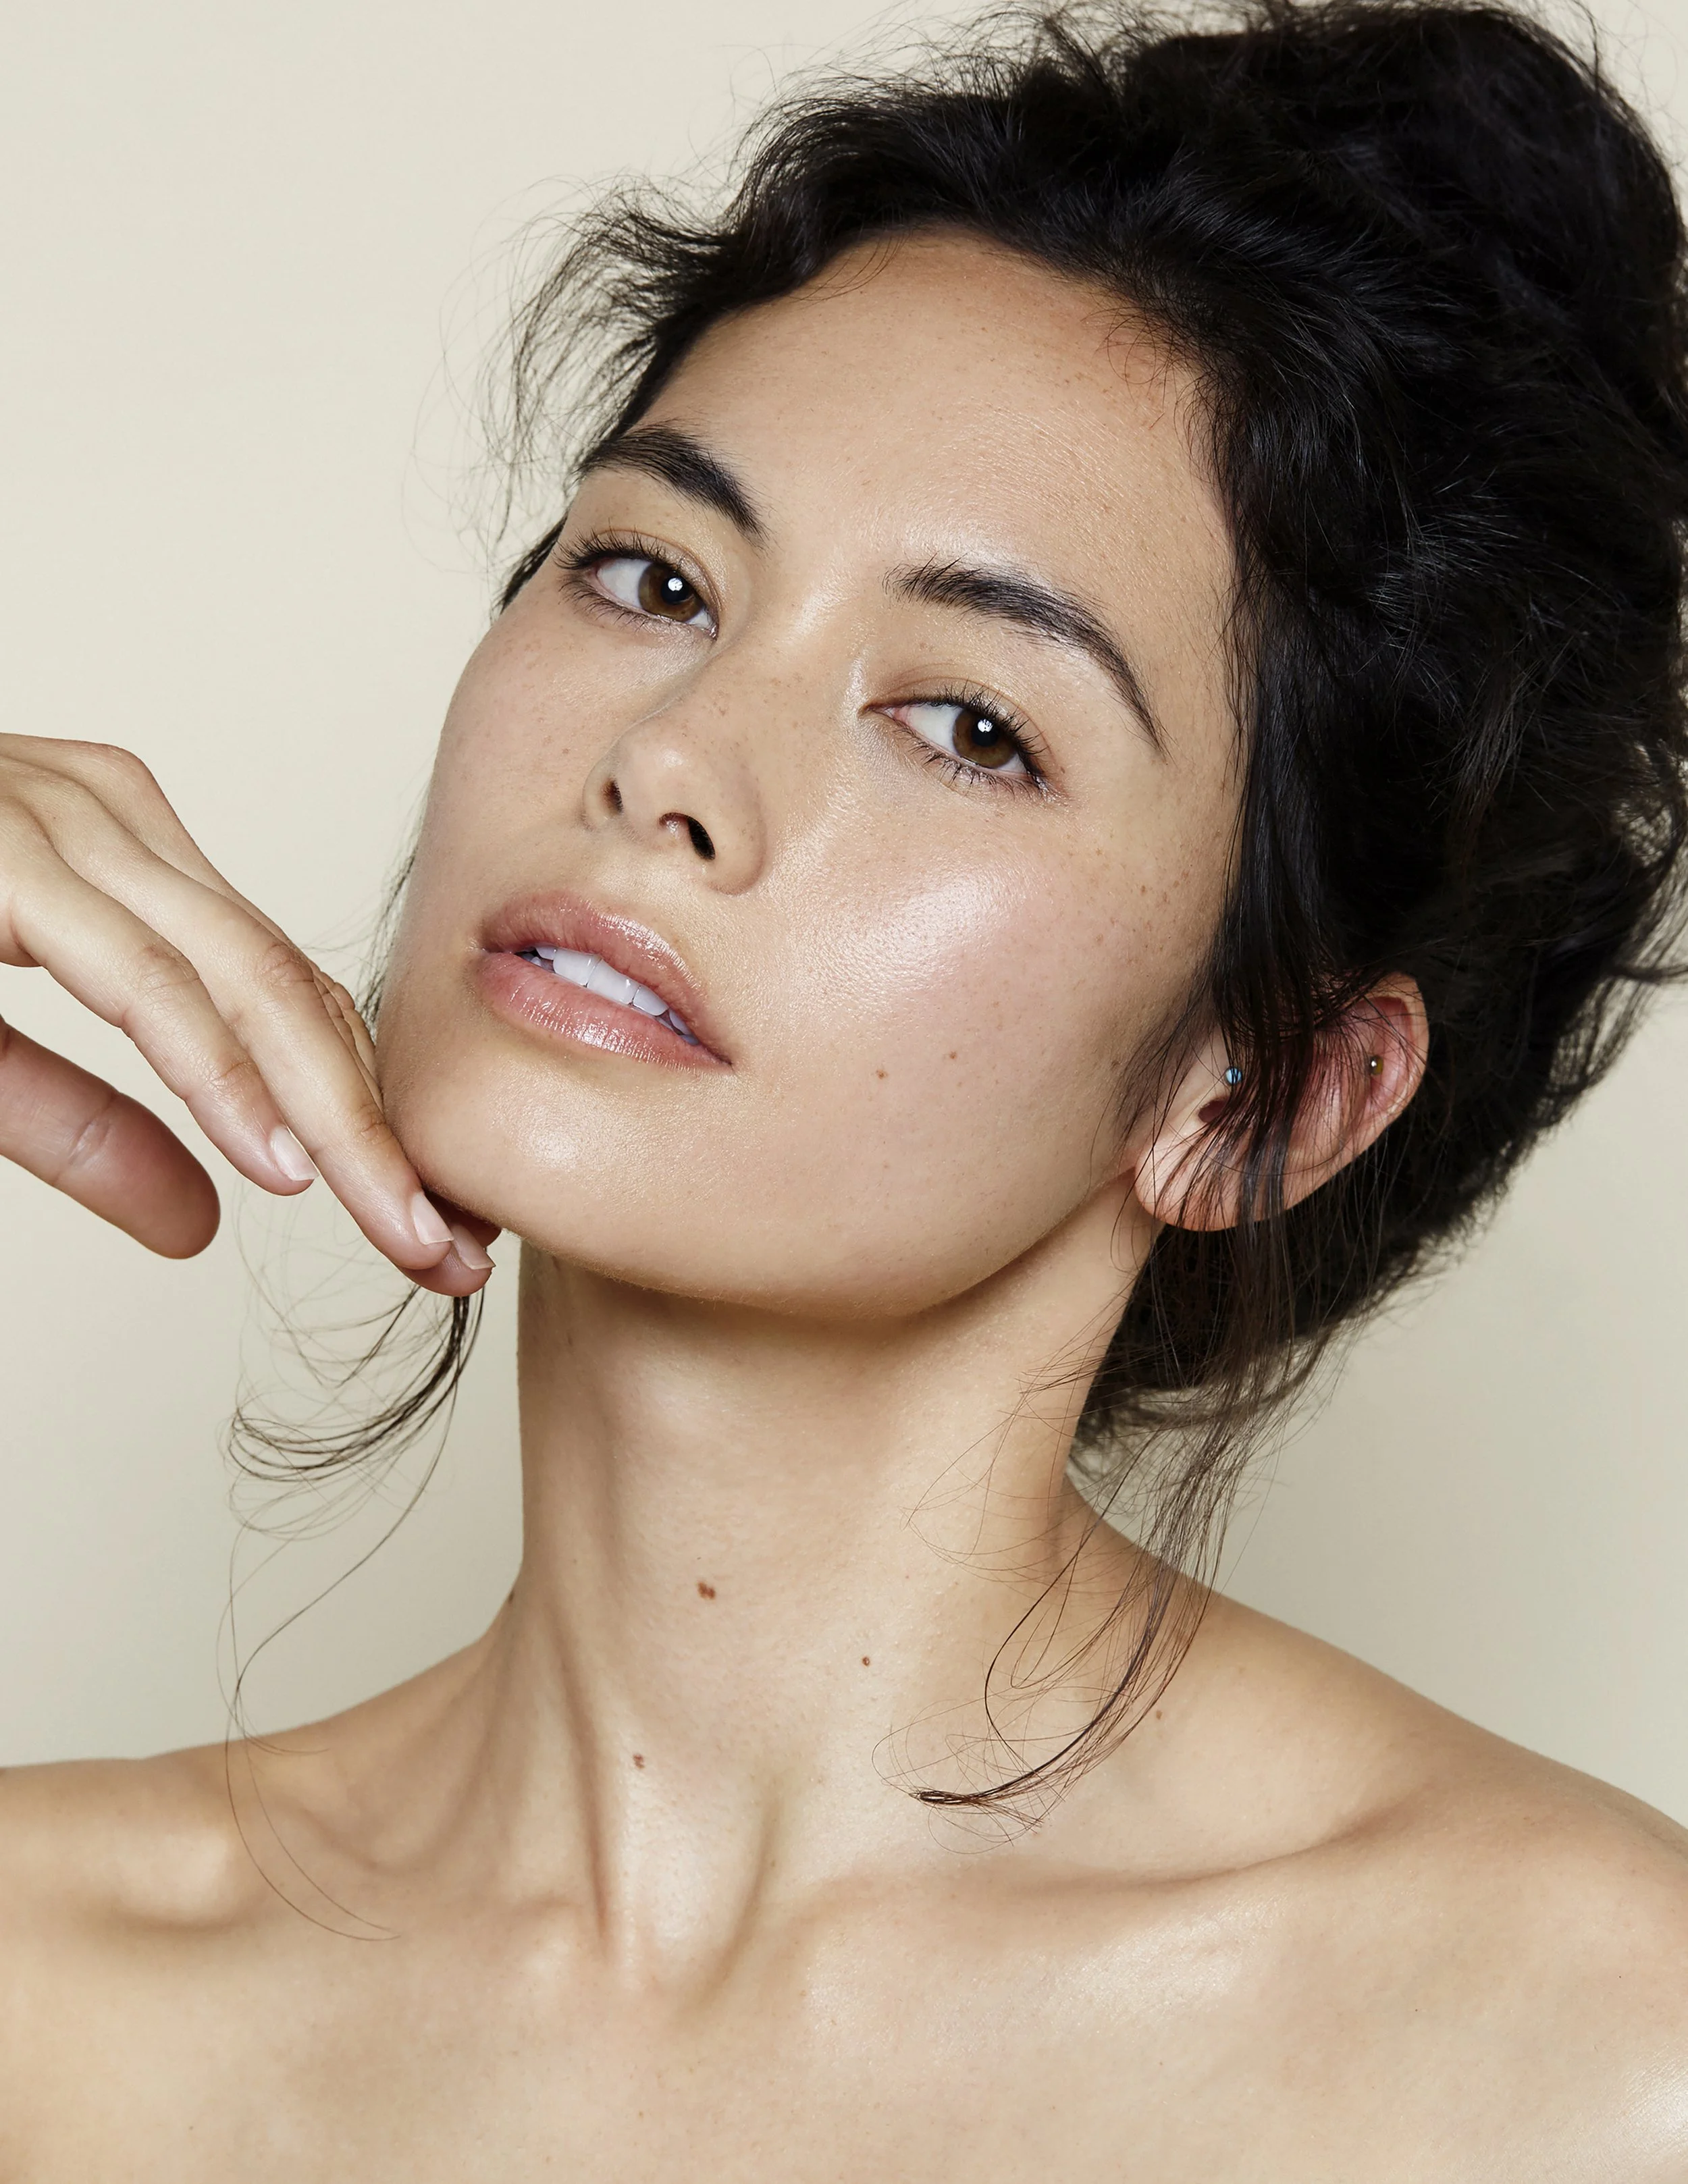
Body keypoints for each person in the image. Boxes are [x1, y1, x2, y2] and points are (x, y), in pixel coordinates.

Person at [1, 0, 1685, 2171]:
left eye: (970, 724)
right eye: (651, 574)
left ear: (1256, 1099)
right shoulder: (44, 1988)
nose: (670, 762)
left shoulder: (1586, 2057)